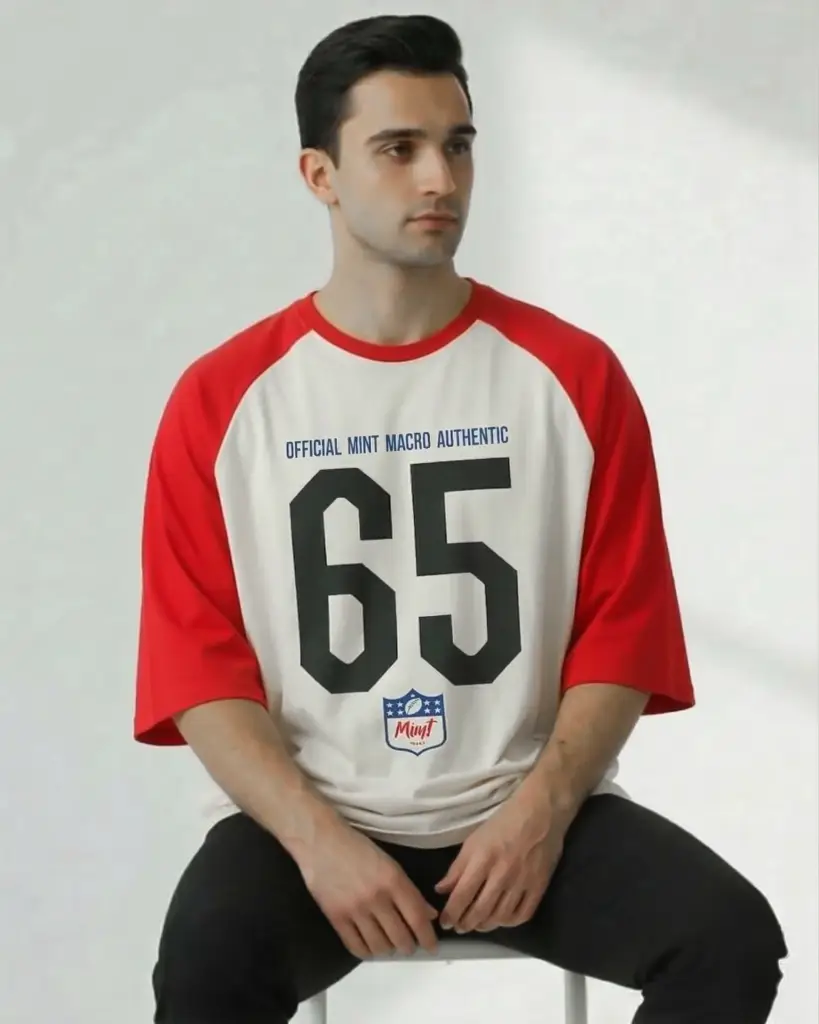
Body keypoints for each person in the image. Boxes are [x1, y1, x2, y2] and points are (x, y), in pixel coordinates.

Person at [133, 14, 787, 1024]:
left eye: (458, 144)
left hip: (527, 813)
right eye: (397, 149)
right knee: (206, 965)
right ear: (320, 174)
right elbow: (198, 670)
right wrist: (318, 839)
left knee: (727, 938)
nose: (439, 178)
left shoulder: (572, 378)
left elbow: (622, 625)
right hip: (319, 823)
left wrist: (542, 812)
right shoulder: (224, 401)